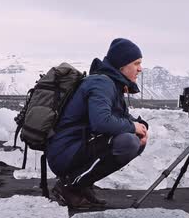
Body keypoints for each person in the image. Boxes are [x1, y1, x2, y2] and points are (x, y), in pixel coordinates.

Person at [46, 38, 149, 208]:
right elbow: (101, 122)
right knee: (128, 142)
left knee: (135, 139)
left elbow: (122, 117)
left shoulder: (112, 84)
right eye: (136, 63)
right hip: (65, 151)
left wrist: (142, 127)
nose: (140, 69)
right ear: (122, 65)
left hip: (75, 148)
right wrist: (133, 128)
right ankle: (68, 187)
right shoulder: (102, 83)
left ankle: (82, 185)